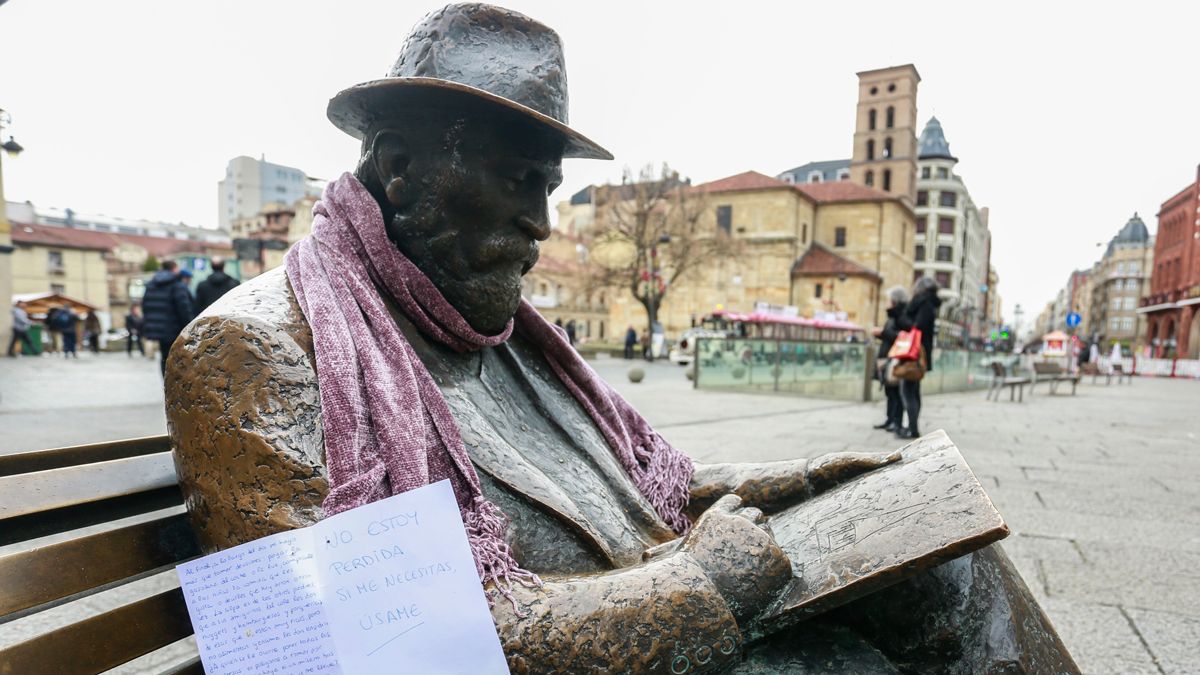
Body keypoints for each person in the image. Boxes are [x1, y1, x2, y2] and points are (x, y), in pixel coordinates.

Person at [165, 5, 1074, 672]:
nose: (539, 222)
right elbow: (352, 648)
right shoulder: (254, 351)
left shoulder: (500, 332)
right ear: (400, 170)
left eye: (548, 185)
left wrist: (791, 487)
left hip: (657, 603)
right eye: (520, 178)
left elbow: (644, 493)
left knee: (953, 570)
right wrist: (702, 590)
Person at [894, 276, 940, 439]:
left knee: (907, 391)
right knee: (912, 390)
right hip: (918, 352)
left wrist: (902, 318)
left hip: (914, 353)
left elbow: (917, 327)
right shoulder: (927, 304)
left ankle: (912, 429)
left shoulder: (924, 304)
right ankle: (912, 427)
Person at [142, 259, 195, 374]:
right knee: (179, 358)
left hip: (159, 330)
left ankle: (166, 384)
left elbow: (145, 306)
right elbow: (184, 308)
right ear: (174, 269)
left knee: (165, 358)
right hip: (175, 329)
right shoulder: (177, 284)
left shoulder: (151, 284)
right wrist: (190, 328)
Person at [871, 286, 908, 433]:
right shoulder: (894, 316)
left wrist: (883, 332)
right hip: (886, 356)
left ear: (895, 300)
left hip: (894, 358)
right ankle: (890, 419)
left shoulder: (901, 316)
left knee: (895, 392)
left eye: (889, 299)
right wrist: (880, 334)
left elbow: (900, 336)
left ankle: (896, 421)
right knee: (889, 391)